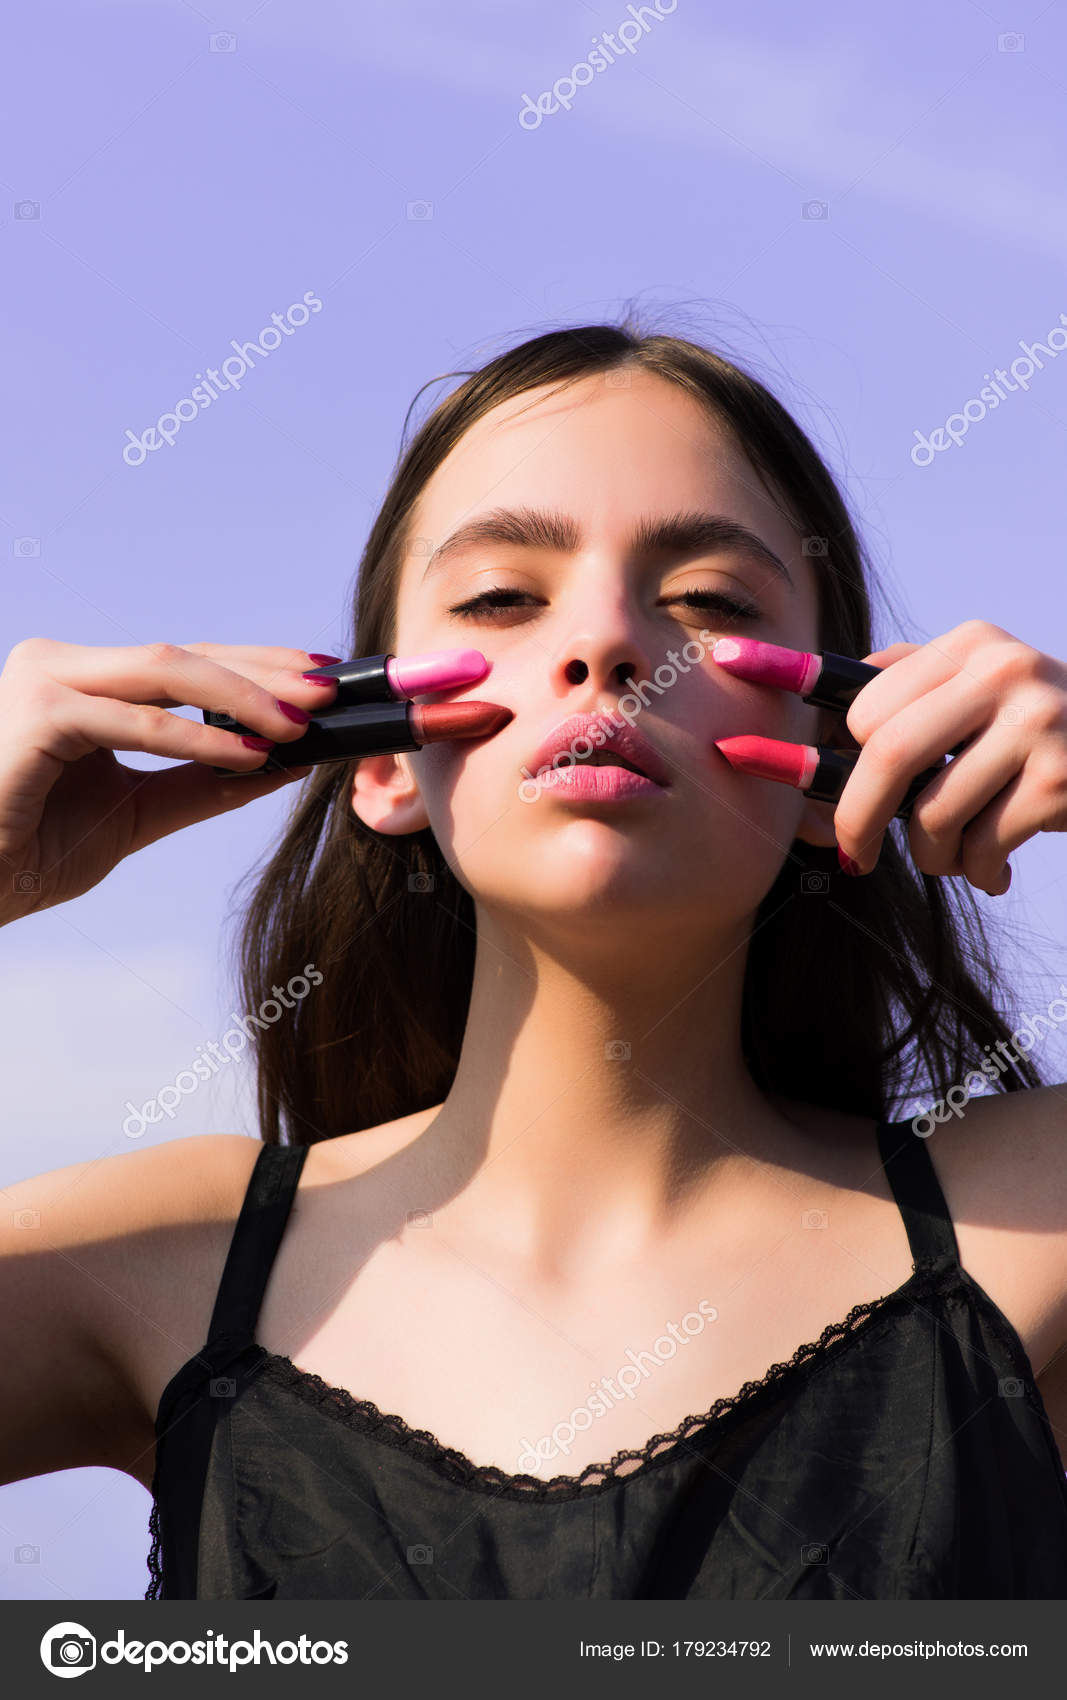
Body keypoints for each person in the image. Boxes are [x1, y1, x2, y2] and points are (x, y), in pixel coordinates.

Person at [2, 320, 1066, 1602]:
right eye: (503, 594)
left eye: (709, 603)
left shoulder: (1026, 1223)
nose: (611, 644)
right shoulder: (169, 1251)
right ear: (384, 757)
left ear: (835, 745)